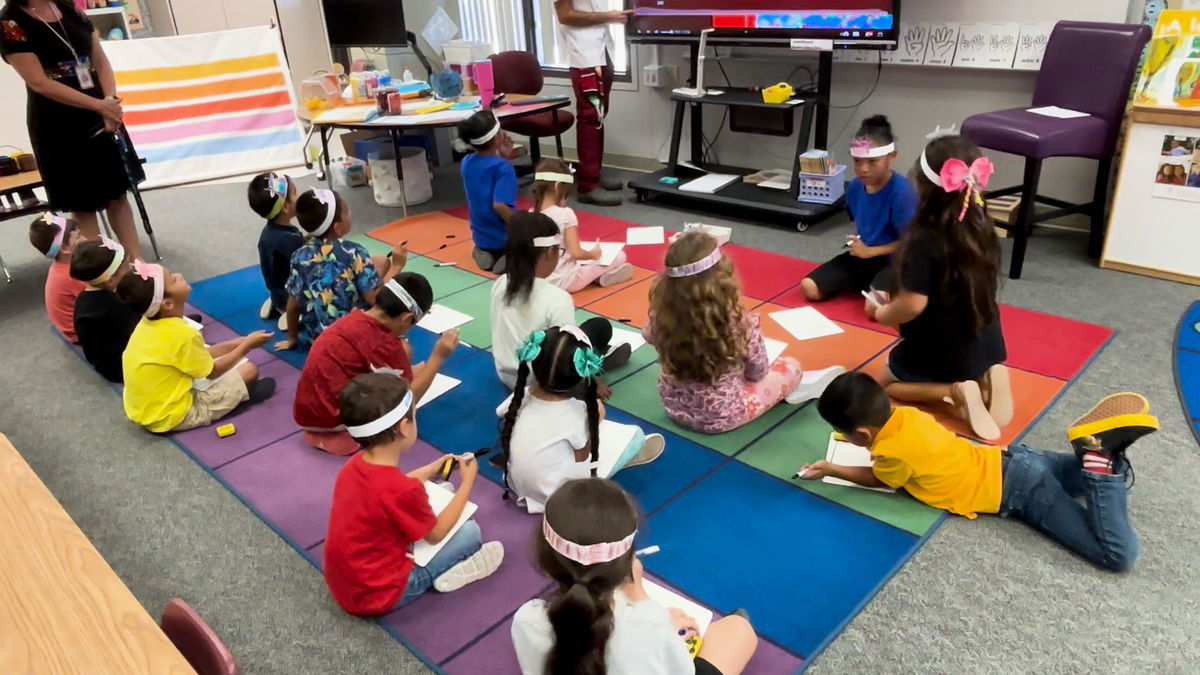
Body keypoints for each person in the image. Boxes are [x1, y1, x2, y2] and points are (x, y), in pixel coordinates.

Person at [801, 372, 1157, 572]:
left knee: (1118, 555)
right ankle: (1104, 456)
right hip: (1014, 459)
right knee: (1098, 475)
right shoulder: (907, 416)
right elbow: (899, 444)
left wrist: (833, 467)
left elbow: (879, 478)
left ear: (862, 435)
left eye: (853, 437)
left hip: (1021, 492)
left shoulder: (891, 454)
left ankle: (1099, 468)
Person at [511, 478, 758, 674]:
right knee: (738, 629)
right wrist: (642, 600)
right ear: (627, 560)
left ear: (546, 554)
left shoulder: (526, 619)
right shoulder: (649, 624)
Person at [868, 133, 1012, 441]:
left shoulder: (923, 239)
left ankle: (955, 391)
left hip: (940, 352)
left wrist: (882, 313)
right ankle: (989, 373)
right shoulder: (981, 225)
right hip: (986, 342)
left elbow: (912, 305)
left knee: (886, 386)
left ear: (923, 187)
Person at [323, 372, 505, 615]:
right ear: (403, 428)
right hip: (381, 594)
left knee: (441, 490)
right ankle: (444, 573)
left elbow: (388, 492)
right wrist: (467, 484)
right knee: (471, 532)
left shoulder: (353, 465)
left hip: (345, 583)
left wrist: (429, 471)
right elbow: (436, 534)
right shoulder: (402, 489)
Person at [645, 232, 837, 434]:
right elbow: (757, 373)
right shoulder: (739, 323)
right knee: (791, 366)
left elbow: (648, 335)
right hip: (721, 417)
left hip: (674, 408)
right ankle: (794, 389)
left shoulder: (661, 317)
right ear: (721, 280)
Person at [1, 0, 142, 259]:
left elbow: (99, 59)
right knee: (83, 204)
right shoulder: (9, 22)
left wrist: (110, 102)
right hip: (58, 123)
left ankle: (138, 267)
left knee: (117, 195)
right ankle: (103, 273)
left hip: (103, 111)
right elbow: (39, 83)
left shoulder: (68, 7)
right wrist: (99, 106)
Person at [498, 326, 664, 513]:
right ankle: (625, 456)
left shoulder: (522, 395)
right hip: (561, 498)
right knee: (635, 434)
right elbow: (582, 460)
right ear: (581, 375)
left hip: (517, 486)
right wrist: (596, 419)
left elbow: (503, 414)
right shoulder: (576, 413)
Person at [294, 273, 461, 456]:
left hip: (306, 409)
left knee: (408, 362)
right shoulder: (384, 343)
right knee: (400, 411)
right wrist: (438, 357)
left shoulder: (356, 317)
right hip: (329, 420)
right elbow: (407, 401)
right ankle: (336, 433)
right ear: (406, 318)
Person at [117, 262, 277, 433]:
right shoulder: (184, 335)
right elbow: (213, 372)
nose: (178, 274)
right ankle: (236, 399)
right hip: (170, 416)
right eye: (173, 279)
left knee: (212, 352)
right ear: (167, 303)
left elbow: (198, 354)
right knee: (249, 370)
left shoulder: (148, 323)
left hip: (143, 409)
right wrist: (246, 346)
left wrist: (239, 342)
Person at [491, 211, 630, 389]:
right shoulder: (557, 298)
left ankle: (595, 358)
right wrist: (590, 382)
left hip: (506, 373)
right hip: (543, 380)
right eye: (560, 251)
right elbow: (568, 352)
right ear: (549, 252)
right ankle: (596, 364)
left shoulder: (501, 283)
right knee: (600, 327)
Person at [800, 115, 917, 306]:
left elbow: (915, 243)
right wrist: (862, 248)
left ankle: (890, 287)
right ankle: (869, 284)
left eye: (872, 162)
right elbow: (860, 223)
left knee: (873, 307)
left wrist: (872, 251)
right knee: (809, 287)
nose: (863, 169)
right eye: (857, 161)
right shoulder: (855, 186)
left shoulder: (902, 193)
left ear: (891, 157)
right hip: (864, 256)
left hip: (896, 261)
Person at [277, 188, 405, 350]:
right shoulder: (354, 252)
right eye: (347, 211)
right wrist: (397, 266)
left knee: (379, 261)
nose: (350, 213)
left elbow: (293, 304)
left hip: (318, 340)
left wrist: (292, 338)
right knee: (403, 338)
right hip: (352, 338)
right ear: (337, 227)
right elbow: (376, 299)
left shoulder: (299, 256)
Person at [551, 1, 634, 206]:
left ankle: (593, 172)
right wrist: (609, 16)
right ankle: (588, 185)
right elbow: (565, 15)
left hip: (602, 48)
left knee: (598, 115)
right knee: (590, 115)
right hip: (584, 54)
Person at [532, 158, 634, 292]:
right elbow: (577, 253)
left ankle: (601, 277)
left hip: (538, 280)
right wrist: (594, 254)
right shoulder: (565, 214)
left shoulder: (531, 213)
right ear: (558, 187)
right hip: (566, 282)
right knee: (620, 256)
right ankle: (600, 277)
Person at [69, 235, 137, 382]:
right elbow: (138, 333)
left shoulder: (85, 297)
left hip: (104, 362)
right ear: (111, 280)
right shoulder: (112, 303)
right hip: (122, 366)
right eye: (127, 268)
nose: (132, 268)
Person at [458, 111, 517, 273]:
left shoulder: (466, 162)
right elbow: (499, 206)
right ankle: (509, 259)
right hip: (503, 239)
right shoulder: (503, 168)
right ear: (497, 138)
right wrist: (521, 227)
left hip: (481, 237)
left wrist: (503, 158)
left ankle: (484, 253)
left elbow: (485, 172)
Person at [247, 171, 303, 329]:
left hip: (276, 292)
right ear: (285, 207)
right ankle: (291, 314)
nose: (299, 196)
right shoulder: (290, 240)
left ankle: (277, 303)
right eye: (295, 193)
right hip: (292, 299)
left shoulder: (268, 233)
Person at [28, 212, 85, 342]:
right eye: (78, 237)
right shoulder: (73, 275)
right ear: (64, 248)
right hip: (78, 333)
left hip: (69, 327)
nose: (85, 239)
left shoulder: (59, 267)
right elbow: (101, 297)